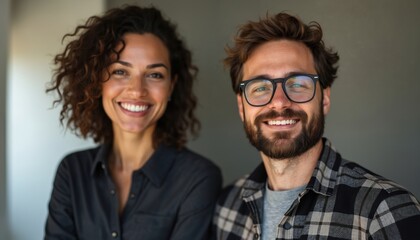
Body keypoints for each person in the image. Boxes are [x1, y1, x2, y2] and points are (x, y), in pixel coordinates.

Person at [213, 12, 420, 240]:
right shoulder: (226, 206)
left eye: (298, 84)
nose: (279, 102)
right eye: (260, 87)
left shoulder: (384, 211)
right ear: (242, 107)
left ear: (325, 99)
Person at [44, 5, 222, 240]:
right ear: (98, 81)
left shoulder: (198, 178)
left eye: (154, 75)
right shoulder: (72, 172)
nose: (137, 91)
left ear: (171, 86)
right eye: (120, 72)